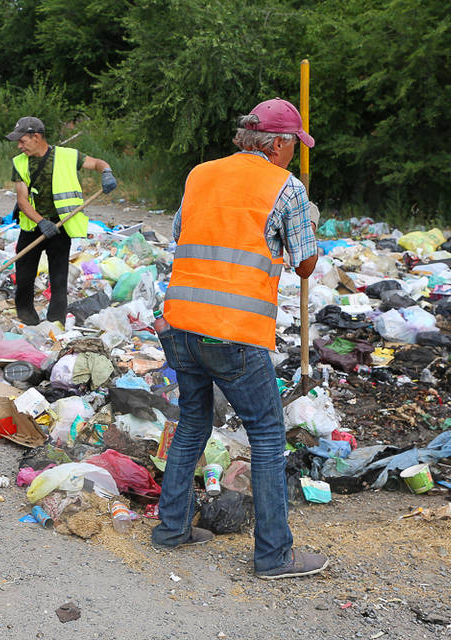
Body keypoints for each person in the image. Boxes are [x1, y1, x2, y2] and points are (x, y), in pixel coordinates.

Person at [152, 98, 327, 579]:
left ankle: (171, 529)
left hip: (181, 325)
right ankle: (274, 556)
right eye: (293, 145)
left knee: (192, 424)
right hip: (233, 334)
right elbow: (306, 262)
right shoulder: (285, 188)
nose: (293, 154)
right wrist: (309, 218)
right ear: (277, 143)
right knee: (268, 437)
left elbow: (181, 234)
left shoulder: (199, 175)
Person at [6, 116, 117, 325]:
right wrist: (41, 222)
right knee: (23, 276)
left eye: (22, 141)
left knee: (59, 278)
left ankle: (56, 321)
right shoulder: (20, 163)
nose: (19, 146)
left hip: (60, 226)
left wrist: (107, 172)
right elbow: (22, 201)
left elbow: (97, 163)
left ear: (36, 137)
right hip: (33, 226)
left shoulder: (68, 156)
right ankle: (27, 318)